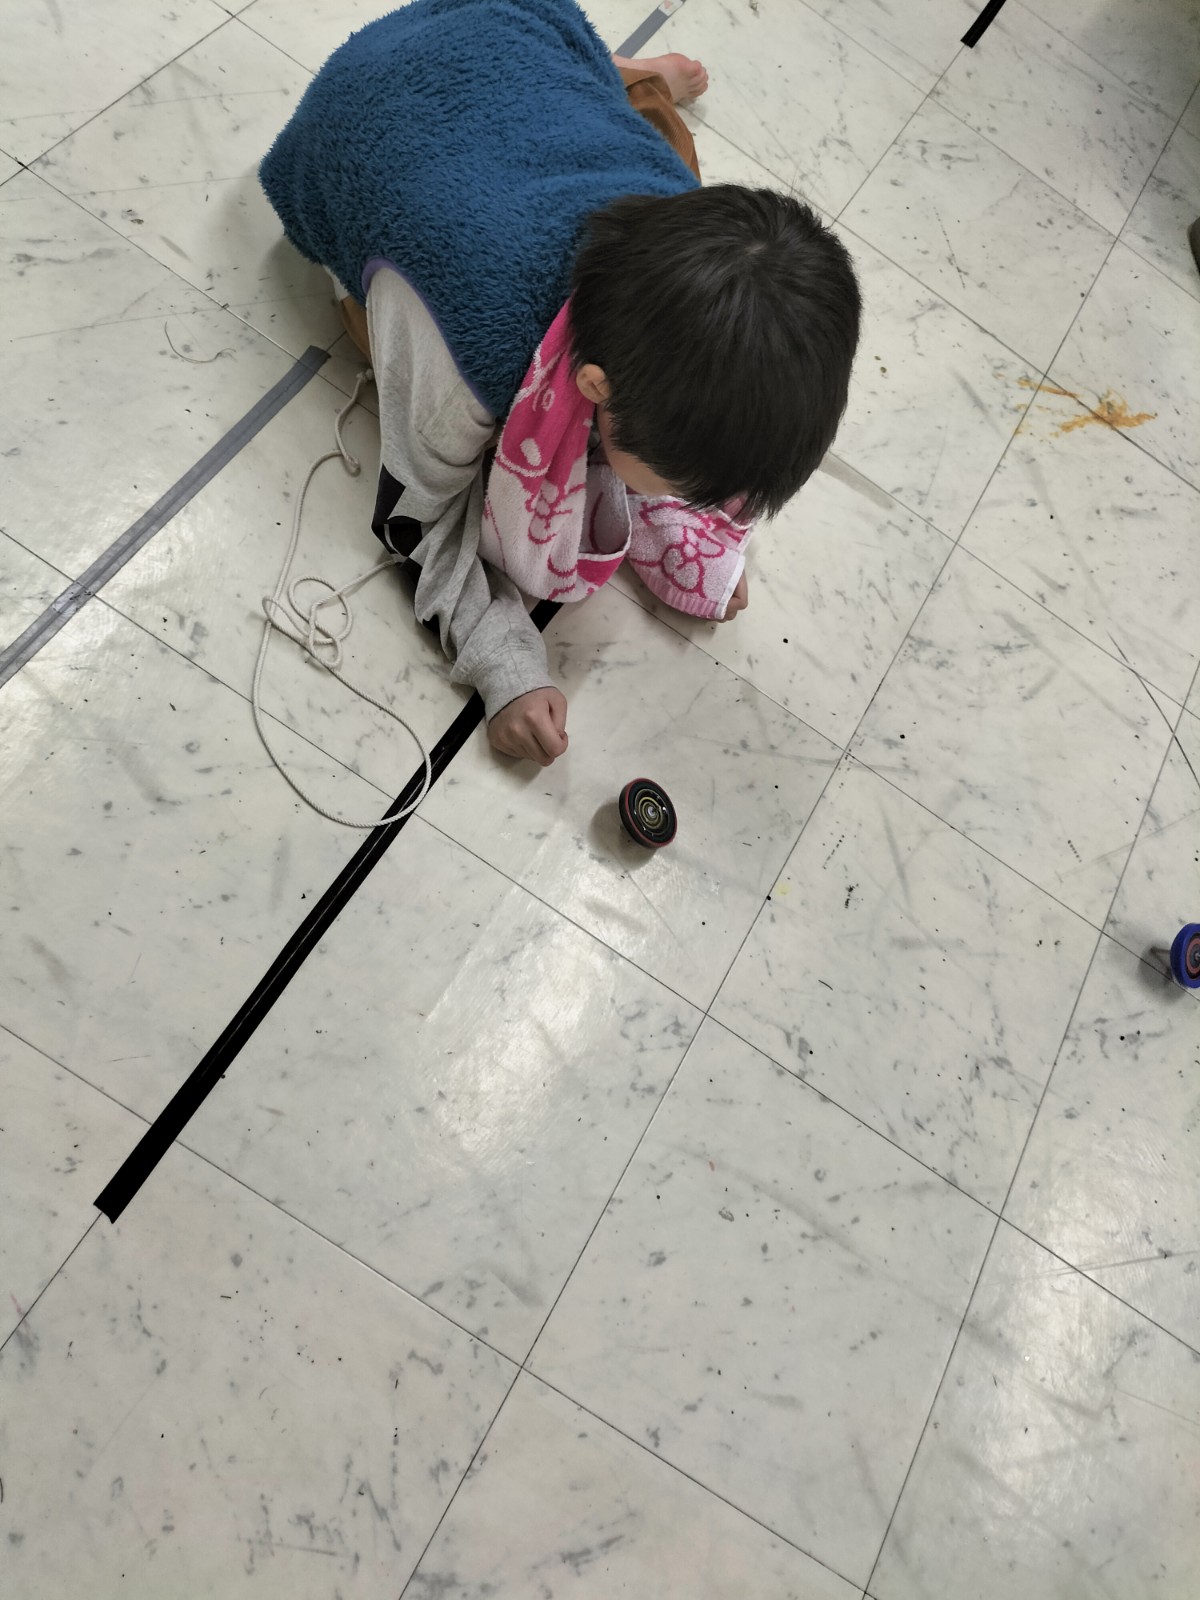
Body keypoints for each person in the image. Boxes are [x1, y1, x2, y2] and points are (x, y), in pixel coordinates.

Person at [261, 0, 861, 767]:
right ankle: (633, 77)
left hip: (515, 33)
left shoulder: (685, 215)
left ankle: (634, 78)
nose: (700, 512)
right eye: (683, 492)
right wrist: (499, 658)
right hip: (364, 113)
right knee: (370, 338)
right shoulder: (466, 350)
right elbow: (418, 519)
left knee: (663, 134)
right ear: (596, 386)